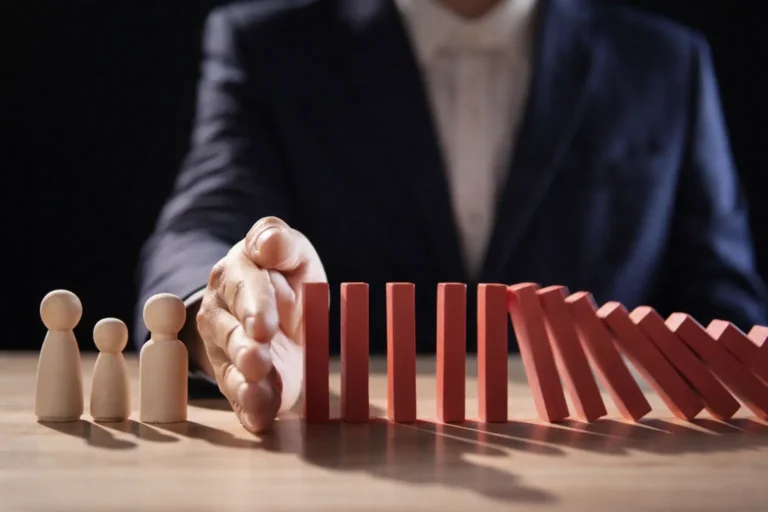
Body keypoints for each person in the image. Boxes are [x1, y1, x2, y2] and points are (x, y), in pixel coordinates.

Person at [135, 0, 768, 434]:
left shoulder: (666, 62)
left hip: (607, 459)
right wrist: (221, 311)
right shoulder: (267, 45)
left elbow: (723, 294)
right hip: (353, 454)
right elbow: (202, 224)